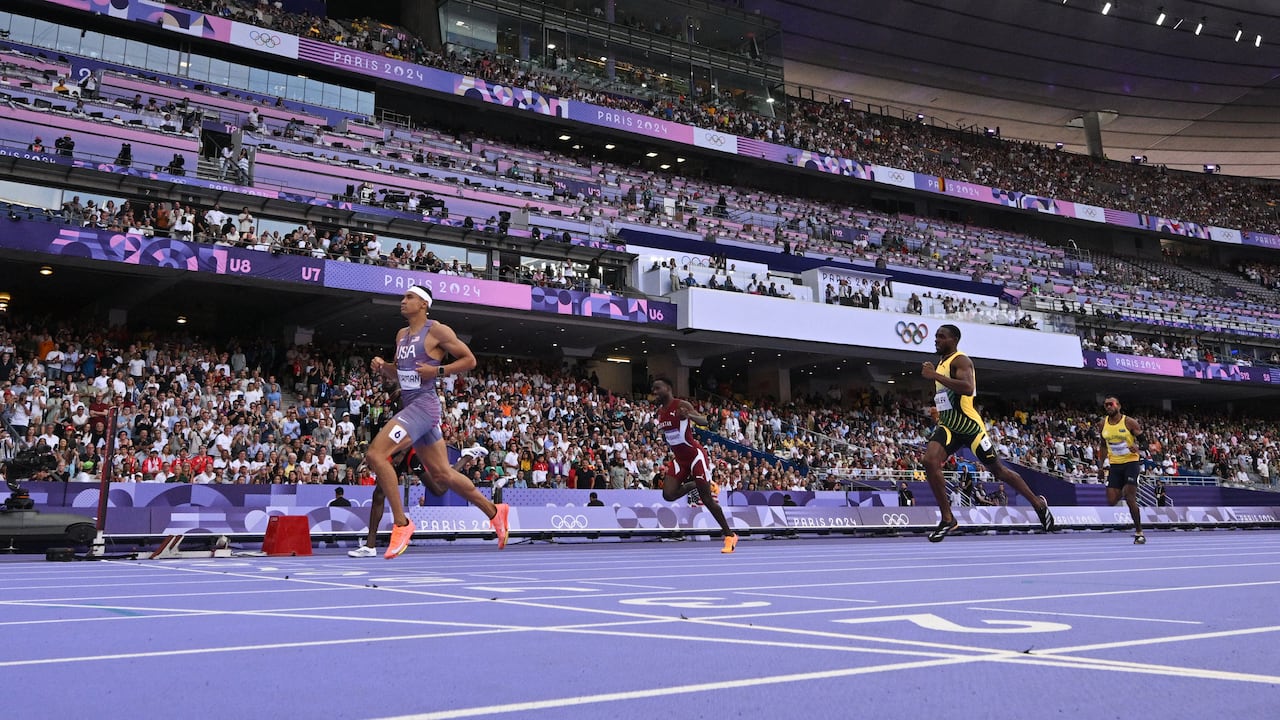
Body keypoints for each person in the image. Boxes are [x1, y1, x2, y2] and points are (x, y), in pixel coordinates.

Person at [362, 285, 508, 558]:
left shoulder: (437, 330)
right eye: (404, 297)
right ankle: (494, 511)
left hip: (424, 407)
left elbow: (470, 360)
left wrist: (437, 371)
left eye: (409, 297)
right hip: (413, 407)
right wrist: (383, 367)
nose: (403, 301)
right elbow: (399, 374)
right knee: (442, 475)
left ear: (423, 304)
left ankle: (401, 524)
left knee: (376, 454)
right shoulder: (401, 335)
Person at [920, 324, 1054, 541]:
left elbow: (967, 388)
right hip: (948, 426)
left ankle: (1037, 503)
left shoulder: (961, 361)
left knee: (999, 471)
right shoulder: (942, 363)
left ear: (954, 340)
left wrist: (934, 375)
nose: (936, 339)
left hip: (970, 427)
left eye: (941, 336)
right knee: (929, 461)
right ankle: (948, 518)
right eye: (936, 336)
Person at [348, 444, 488, 557]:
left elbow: (412, 431)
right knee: (379, 494)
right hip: (395, 452)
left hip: (411, 452)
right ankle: (370, 546)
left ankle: (466, 457)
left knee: (439, 489)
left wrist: (402, 454)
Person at [651, 376, 739, 553]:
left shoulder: (681, 405)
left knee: (707, 500)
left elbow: (705, 422)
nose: (654, 392)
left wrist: (688, 415)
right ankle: (699, 484)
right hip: (679, 459)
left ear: (668, 388)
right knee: (668, 494)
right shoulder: (660, 412)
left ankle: (730, 535)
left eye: (657, 388)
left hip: (694, 456)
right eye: (653, 389)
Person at [1098, 395, 1146, 544]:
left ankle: (1139, 532)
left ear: (1118, 406)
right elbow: (1103, 446)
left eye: (1111, 404)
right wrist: (1100, 466)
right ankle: (1124, 490)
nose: (1108, 407)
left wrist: (1138, 447)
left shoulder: (1129, 422)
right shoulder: (1102, 424)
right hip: (1115, 465)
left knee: (1130, 497)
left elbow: (1144, 441)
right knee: (1112, 500)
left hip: (1131, 462)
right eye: (1106, 405)